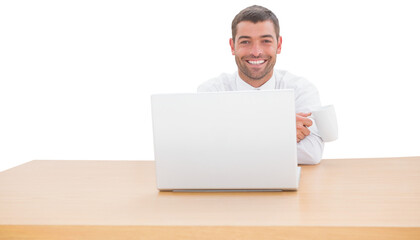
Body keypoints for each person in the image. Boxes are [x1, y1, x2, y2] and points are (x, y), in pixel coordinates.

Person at [198, 5, 323, 164]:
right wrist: (279, 128)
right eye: (245, 42)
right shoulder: (211, 91)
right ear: (232, 46)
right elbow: (205, 151)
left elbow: (311, 153)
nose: (256, 51)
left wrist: (232, 138)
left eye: (265, 41)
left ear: (278, 45)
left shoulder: (301, 89)